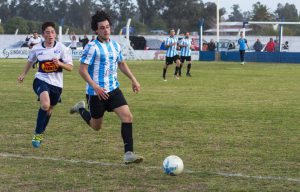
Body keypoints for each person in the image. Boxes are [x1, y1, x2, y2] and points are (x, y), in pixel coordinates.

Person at [69, 10, 143, 164]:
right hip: (96, 93)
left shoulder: (115, 45)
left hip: (114, 89)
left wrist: (133, 79)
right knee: (96, 126)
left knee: (127, 116)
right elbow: (82, 70)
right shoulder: (92, 47)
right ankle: (81, 109)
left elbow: (121, 63)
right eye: (102, 28)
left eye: (108, 27)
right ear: (96, 30)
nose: (106, 30)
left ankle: (128, 153)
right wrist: (95, 86)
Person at [17, 22, 73, 148]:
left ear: (55, 34)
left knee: (49, 110)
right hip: (41, 79)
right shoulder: (37, 48)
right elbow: (30, 61)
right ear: (43, 34)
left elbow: (70, 67)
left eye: (52, 32)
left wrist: (59, 63)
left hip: (57, 85)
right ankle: (37, 133)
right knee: (45, 105)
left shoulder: (62, 48)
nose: (50, 34)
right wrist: (23, 74)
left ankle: (41, 133)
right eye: (47, 32)